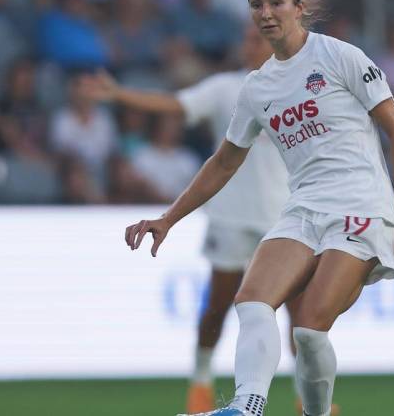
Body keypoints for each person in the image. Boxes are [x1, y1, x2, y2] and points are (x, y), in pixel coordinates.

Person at [124, 0, 394, 416]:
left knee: (308, 330)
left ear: (299, 7)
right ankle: (247, 406)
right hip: (302, 208)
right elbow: (225, 161)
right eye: (256, 5)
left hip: (361, 207)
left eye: (276, 2)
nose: (266, 13)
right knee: (251, 301)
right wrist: (168, 219)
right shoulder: (257, 87)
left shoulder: (339, 56)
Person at [85, 26, 310, 413]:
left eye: (255, 39)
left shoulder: (297, 88)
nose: (248, 45)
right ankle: (201, 381)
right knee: (219, 305)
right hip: (231, 217)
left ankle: (309, 400)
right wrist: (120, 94)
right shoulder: (226, 87)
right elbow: (174, 105)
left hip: (283, 218)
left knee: (300, 314)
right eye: (245, 38)